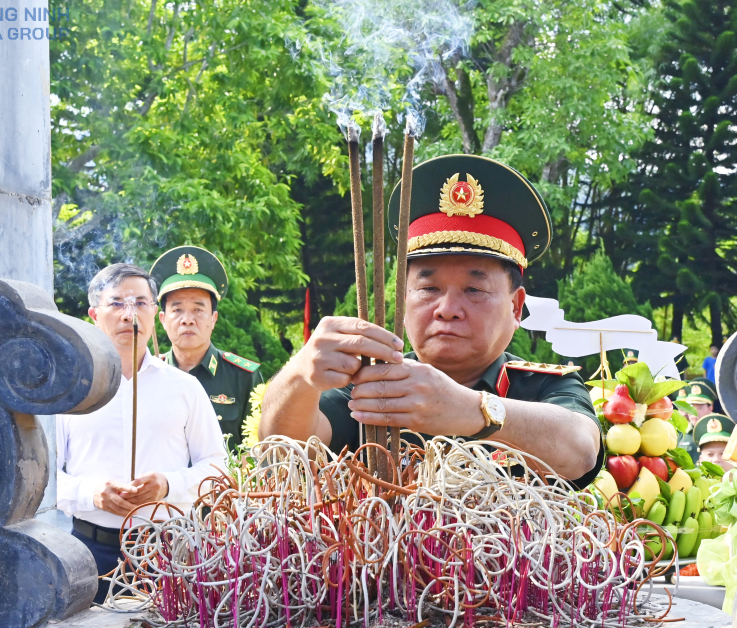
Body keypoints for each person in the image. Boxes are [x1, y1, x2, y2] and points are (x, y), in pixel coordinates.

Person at [258, 154, 602, 486]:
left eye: (474, 289)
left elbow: (581, 450)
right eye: (428, 287)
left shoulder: (543, 388)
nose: (447, 308)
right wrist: (300, 376)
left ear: (515, 307)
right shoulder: (373, 386)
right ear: (403, 298)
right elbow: (282, 455)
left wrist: (473, 410)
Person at [56, 263, 227, 602]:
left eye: (140, 303)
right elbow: (42, 480)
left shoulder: (185, 387)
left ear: (154, 314)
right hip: (89, 552)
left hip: (168, 551)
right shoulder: (70, 390)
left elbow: (217, 468)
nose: (128, 314)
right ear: (94, 314)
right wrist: (91, 493)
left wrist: (167, 485)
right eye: (116, 303)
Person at [150, 246, 263, 447]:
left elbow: (258, 451)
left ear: (213, 319)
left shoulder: (243, 377)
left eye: (198, 309)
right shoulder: (150, 375)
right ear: (163, 319)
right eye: (177, 310)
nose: (187, 320)